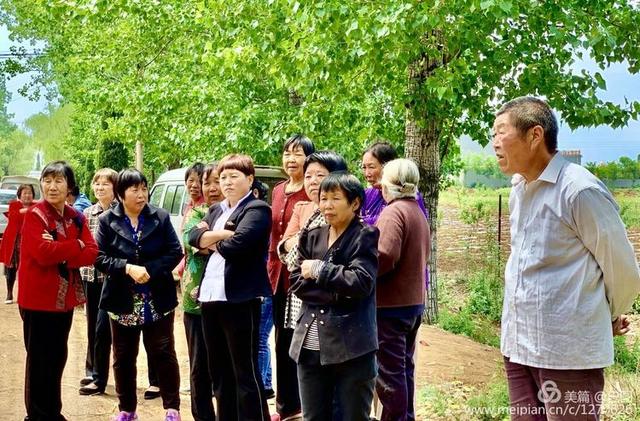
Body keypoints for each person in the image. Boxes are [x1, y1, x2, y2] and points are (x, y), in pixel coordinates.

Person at [493, 96, 640, 419]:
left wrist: (604, 314)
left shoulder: (579, 190)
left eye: (500, 132)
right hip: (519, 347)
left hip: (567, 352)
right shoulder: (519, 188)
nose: (494, 143)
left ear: (535, 135)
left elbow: (623, 270)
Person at [289, 172, 379, 421]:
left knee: (352, 416)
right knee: (313, 417)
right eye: (323, 198)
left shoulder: (365, 236)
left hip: (351, 347)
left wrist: (318, 270)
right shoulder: (312, 236)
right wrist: (339, 290)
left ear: (355, 203)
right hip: (309, 345)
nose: (326, 205)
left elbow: (361, 282)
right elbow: (296, 281)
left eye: (335, 198)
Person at [188, 154, 271, 421]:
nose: (227, 182)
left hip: (239, 299)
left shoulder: (257, 209)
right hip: (211, 298)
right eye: (223, 177)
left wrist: (208, 241)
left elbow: (239, 246)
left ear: (249, 178)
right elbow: (192, 237)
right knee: (219, 372)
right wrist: (224, 235)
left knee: (244, 372)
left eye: (234, 176)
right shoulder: (215, 210)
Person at [95, 169, 183, 421]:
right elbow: (99, 257)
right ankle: (127, 409)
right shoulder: (107, 221)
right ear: (121, 194)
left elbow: (175, 252)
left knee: (164, 353)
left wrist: (150, 270)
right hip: (122, 300)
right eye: (134, 189)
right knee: (123, 357)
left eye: (144, 188)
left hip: (157, 298)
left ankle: (172, 408)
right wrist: (126, 268)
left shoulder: (160, 217)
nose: (141, 194)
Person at [18, 161, 99, 420]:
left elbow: (92, 252)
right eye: (47, 180)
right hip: (37, 300)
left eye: (58, 181)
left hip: (62, 302)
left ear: (70, 187)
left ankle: (53, 411)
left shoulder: (76, 217)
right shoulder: (35, 215)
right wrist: (74, 245)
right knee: (39, 360)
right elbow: (42, 254)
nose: (52, 187)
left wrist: (63, 250)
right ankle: (37, 415)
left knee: (57, 358)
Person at [374, 159, 430, 421]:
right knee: (404, 369)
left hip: (391, 307)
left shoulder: (393, 212)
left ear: (391, 185)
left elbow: (384, 255)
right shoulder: (416, 211)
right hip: (412, 305)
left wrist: (361, 273)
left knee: (390, 375)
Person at [267, 134, 315, 421]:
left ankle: (304, 403)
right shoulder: (278, 190)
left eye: (297, 153)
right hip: (276, 275)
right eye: (287, 153)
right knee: (280, 341)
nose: (291, 159)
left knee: (303, 341)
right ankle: (285, 407)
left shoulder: (310, 194)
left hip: (301, 277)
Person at [181, 163, 223, 421]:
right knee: (199, 366)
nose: (213, 188)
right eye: (207, 182)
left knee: (224, 364)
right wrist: (227, 239)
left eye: (218, 181)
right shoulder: (195, 214)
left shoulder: (234, 212)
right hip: (196, 301)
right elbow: (194, 241)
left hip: (227, 300)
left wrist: (214, 239)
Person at [78, 168, 119, 396]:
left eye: (105, 184)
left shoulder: (119, 213)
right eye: (97, 183)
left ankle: (104, 372)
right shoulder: (87, 213)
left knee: (107, 328)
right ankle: (92, 368)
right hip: (89, 275)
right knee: (92, 323)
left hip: (110, 276)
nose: (100, 187)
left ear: (115, 188)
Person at [360, 141, 427, 225]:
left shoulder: (407, 194)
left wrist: (363, 222)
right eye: (364, 167)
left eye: (371, 167)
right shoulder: (367, 194)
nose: (367, 174)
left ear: (388, 166)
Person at [252, 178, 276, 400]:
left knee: (260, 337)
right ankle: (266, 383)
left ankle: (262, 385)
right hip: (266, 285)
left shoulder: (261, 217)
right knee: (261, 337)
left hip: (267, 286)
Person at [0, 183, 35, 304]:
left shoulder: (36, 205)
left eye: (30, 193)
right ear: (20, 195)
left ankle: (24, 293)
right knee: (11, 267)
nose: (27, 195)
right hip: (14, 240)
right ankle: (9, 293)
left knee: (28, 268)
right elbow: (14, 216)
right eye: (25, 193)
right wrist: (29, 210)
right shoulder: (14, 205)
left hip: (29, 240)